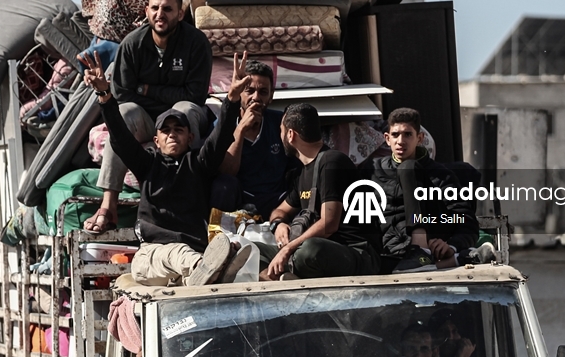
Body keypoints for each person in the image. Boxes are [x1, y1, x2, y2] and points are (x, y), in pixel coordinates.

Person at [82, 50, 251, 286]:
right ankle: (210, 269)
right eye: (166, 131)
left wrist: (232, 98)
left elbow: (221, 137)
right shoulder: (147, 164)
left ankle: (204, 273)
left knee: (192, 259)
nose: (172, 134)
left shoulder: (198, 164)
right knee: (179, 254)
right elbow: (120, 137)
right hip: (153, 256)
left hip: (195, 254)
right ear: (156, 140)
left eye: (178, 130)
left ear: (190, 137)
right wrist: (104, 94)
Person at [85, 0, 213, 234]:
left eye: (167, 9)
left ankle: (191, 196)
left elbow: (195, 95)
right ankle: (108, 205)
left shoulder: (196, 43)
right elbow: (122, 94)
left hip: (179, 117)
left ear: (180, 13)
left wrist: (146, 90)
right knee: (123, 115)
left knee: (184, 110)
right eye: (155, 8)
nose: (160, 14)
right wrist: (163, 97)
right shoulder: (132, 44)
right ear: (146, 11)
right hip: (145, 118)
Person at [257, 103, 382, 280]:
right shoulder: (301, 172)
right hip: (309, 252)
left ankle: (288, 278)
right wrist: (278, 225)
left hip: (356, 253)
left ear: (291, 134)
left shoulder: (332, 162)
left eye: (281, 131)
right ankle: (282, 281)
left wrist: (288, 248)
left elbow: (328, 224)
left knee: (309, 250)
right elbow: (280, 210)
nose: (280, 136)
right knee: (254, 250)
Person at [364, 107, 478, 273]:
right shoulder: (372, 170)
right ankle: (456, 260)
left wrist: (451, 245)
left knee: (409, 167)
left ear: (419, 138)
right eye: (395, 135)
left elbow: (465, 221)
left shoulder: (441, 175)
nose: (401, 141)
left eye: (407, 134)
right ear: (387, 139)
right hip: (384, 255)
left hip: (426, 254)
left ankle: (426, 255)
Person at [212, 60, 296, 216]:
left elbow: (298, 166)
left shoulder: (281, 123)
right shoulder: (224, 124)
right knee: (223, 184)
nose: (256, 97)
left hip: (277, 200)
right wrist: (241, 129)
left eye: (263, 92)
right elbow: (227, 171)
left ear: (271, 96)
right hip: (240, 201)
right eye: (249, 91)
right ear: (240, 93)